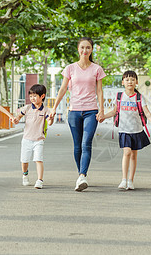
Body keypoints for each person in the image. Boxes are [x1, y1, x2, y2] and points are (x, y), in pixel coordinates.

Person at [49, 37, 106, 192]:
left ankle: (82, 175)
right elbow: (62, 89)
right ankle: (80, 174)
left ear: (91, 50)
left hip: (91, 111)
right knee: (77, 146)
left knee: (86, 143)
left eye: (88, 48)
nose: (85, 50)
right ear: (78, 49)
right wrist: (54, 108)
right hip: (74, 111)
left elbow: (99, 91)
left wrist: (101, 110)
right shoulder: (70, 68)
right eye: (82, 47)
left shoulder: (97, 69)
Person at [100, 70, 151, 190]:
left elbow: (147, 112)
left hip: (137, 130)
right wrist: (104, 116)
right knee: (127, 152)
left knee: (134, 156)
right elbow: (115, 111)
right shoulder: (119, 96)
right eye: (127, 79)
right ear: (122, 82)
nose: (130, 81)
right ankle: (123, 179)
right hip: (124, 130)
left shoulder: (139, 97)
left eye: (132, 79)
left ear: (136, 82)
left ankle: (131, 180)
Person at [12, 84, 54, 189]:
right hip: (26, 139)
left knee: (38, 159)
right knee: (24, 161)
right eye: (31, 96)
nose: (32, 98)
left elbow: (49, 122)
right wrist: (16, 119)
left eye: (35, 96)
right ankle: (25, 175)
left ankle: (40, 180)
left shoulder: (46, 110)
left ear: (42, 96)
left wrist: (51, 119)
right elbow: (19, 117)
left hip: (39, 140)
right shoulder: (27, 108)